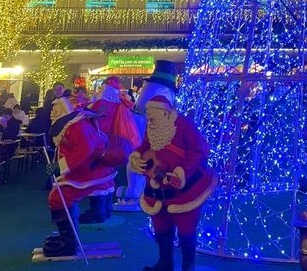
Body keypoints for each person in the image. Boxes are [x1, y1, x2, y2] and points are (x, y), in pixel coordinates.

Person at [130, 95, 217, 271]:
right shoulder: (152, 126)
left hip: (186, 190)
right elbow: (147, 145)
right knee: (161, 228)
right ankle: (165, 263)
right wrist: (136, 156)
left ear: (165, 113)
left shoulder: (185, 125)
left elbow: (198, 151)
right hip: (157, 189)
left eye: (152, 116)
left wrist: (181, 171)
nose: (149, 120)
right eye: (148, 116)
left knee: (186, 229)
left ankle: (188, 266)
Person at [42, 97, 117, 257]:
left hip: (90, 172)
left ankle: (68, 242)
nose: (51, 113)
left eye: (55, 111)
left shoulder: (75, 126)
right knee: (61, 195)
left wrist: (59, 166)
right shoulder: (71, 125)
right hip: (89, 170)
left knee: (58, 197)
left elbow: (84, 149)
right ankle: (68, 237)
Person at [115, 60, 178, 211]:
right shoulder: (164, 90)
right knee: (143, 161)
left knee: (139, 160)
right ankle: (137, 195)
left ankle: (136, 194)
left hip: (141, 129)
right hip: (148, 130)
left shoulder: (150, 88)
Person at [79, 76, 140, 223]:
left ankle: (97, 211)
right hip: (115, 146)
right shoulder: (121, 104)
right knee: (108, 177)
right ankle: (106, 209)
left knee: (96, 177)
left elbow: (94, 122)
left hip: (100, 145)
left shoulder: (101, 103)